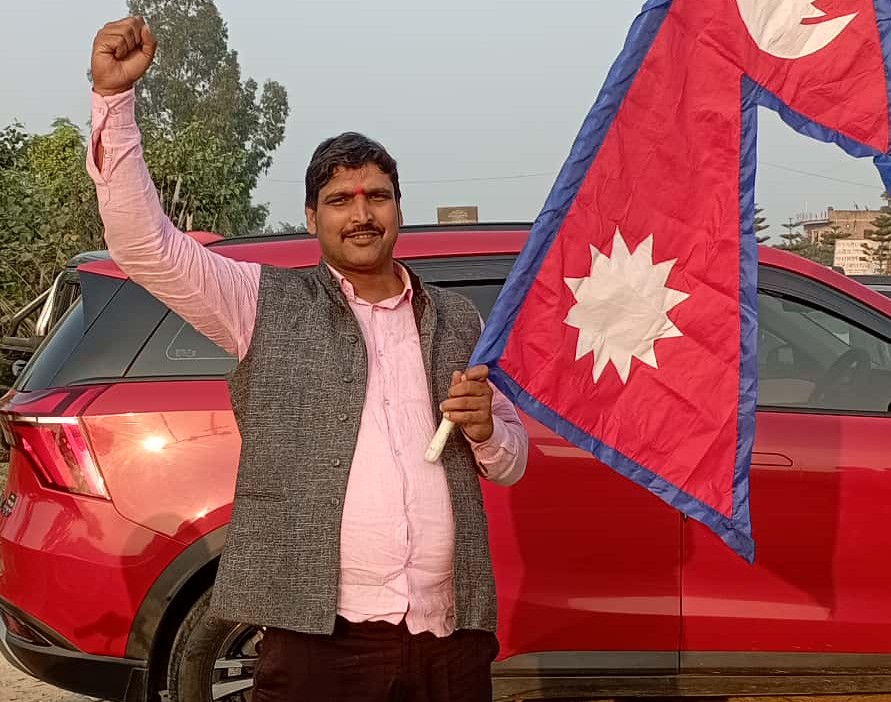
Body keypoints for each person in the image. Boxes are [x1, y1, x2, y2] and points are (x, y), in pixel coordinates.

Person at [88, 16, 528, 702]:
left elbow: (511, 460)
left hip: (448, 637)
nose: (361, 214)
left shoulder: (456, 318)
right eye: (340, 200)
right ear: (311, 216)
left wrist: (487, 431)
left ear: (398, 208)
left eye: (376, 196)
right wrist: (113, 101)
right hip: (319, 639)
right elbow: (144, 246)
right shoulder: (262, 302)